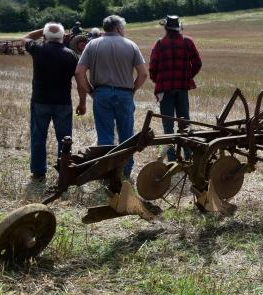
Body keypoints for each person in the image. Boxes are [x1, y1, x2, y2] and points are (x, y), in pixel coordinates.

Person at [75, 15, 148, 177]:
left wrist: (91, 91)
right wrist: (132, 91)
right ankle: (126, 171)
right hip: (125, 94)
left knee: (105, 136)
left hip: (101, 93)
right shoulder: (131, 45)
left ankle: (106, 173)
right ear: (119, 28)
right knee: (126, 136)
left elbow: (79, 72)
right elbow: (143, 73)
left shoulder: (92, 45)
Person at [22, 22, 86, 180]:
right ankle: (63, 172)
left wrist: (44, 29)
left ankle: (38, 172)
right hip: (63, 103)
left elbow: (26, 37)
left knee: (38, 137)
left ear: (44, 36)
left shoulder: (38, 49)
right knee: (65, 140)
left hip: (40, 101)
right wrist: (82, 102)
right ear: (63, 37)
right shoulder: (71, 55)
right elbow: (80, 82)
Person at [149, 15, 202, 160]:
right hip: (182, 87)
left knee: (168, 126)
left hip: (165, 90)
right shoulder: (188, 42)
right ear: (178, 28)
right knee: (184, 123)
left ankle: (172, 159)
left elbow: (152, 68)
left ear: (165, 28)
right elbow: (197, 63)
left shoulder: (159, 44)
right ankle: (188, 156)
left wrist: (159, 81)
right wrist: (187, 76)